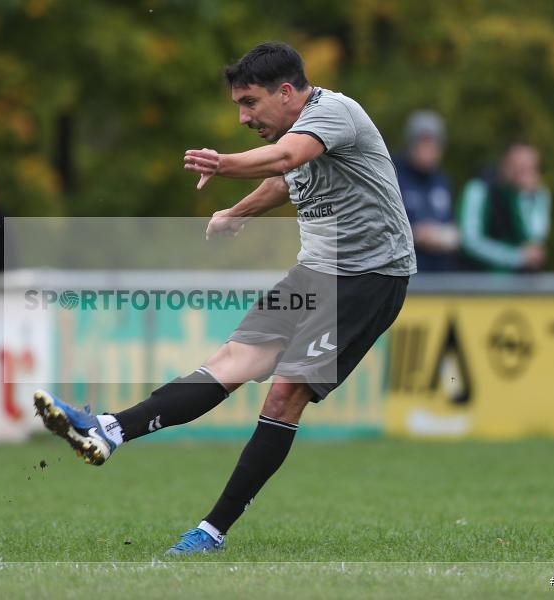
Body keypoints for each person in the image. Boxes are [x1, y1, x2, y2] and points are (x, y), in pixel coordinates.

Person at [33, 42, 416, 555]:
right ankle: (109, 431)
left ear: (286, 93)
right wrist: (238, 212)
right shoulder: (295, 131)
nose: (242, 116)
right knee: (228, 363)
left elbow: (286, 158)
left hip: (369, 278)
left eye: (250, 102)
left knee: (283, 395)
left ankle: (210, 532)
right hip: (316, 273)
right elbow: (287, 179)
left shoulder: (336, 115)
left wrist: (225, 163)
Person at [457, 143, 550, 272]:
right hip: (477, 277)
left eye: (532, 169)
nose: (525, 175)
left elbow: (534, 239)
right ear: (505, 165)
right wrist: (516, 257)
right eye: (520, 168)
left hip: (518, 282)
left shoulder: (531, 195)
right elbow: (470, 242)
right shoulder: (479, 189)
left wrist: (529, 199)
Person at [394, 111, 459, 271]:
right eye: (423, 142)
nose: (428, 149)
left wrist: (439, 236)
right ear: (410, 144)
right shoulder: (393, 176)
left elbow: (454, 231)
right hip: (404, 272)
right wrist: (416, 234)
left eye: (433, 143)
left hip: (440, 275)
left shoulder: (442, 181)